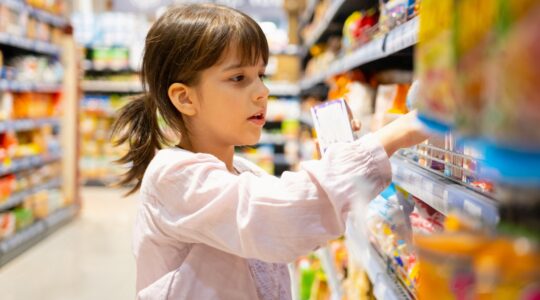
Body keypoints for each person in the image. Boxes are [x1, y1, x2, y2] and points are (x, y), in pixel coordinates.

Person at [112, 4, 428, 300]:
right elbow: (280, 218)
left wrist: (337, 159)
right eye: (238, 78)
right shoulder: (172, 177)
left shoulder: (245, 172)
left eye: (260, 75)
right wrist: (395, 135)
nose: (262, 92)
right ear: (185, 99)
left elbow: (302, 224)